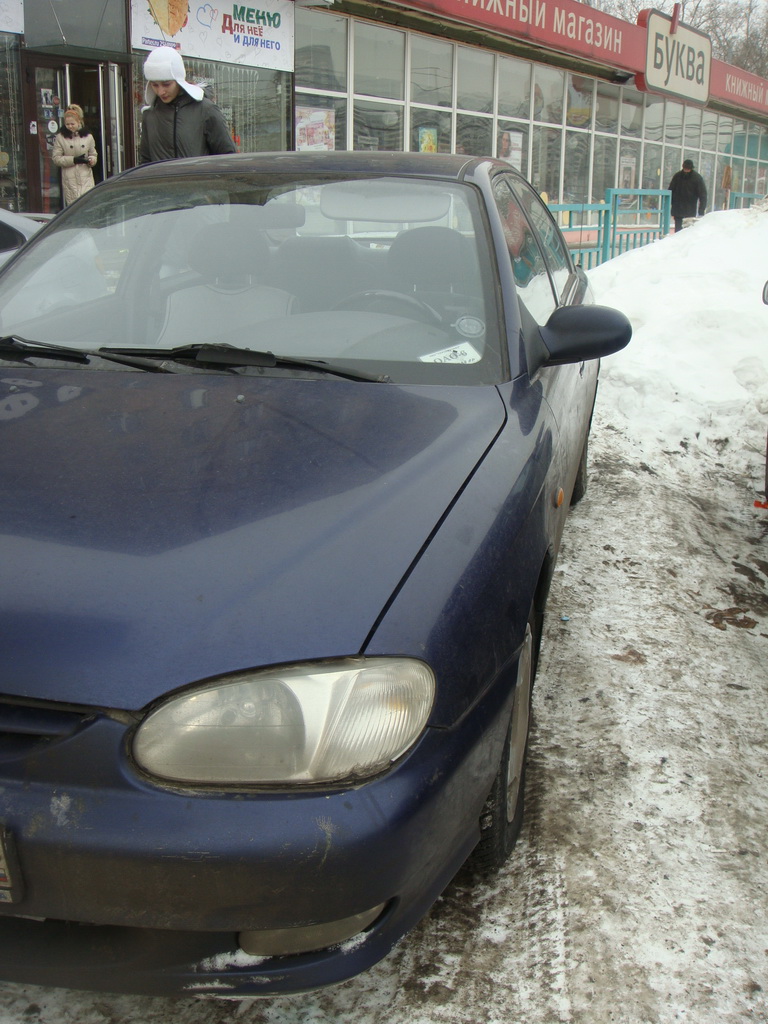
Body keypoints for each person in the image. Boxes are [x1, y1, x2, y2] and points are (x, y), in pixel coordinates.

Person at [139, 46, 237, 163]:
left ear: (179, 81)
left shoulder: (206, 110)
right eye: (155, 85)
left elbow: (228, 157)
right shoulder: (150, 115)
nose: (161, 92)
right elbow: (145, 161)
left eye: (166, 84)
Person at [51, 105, 97, 205]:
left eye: (72, 124)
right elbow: (56, 158)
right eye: (67, 124)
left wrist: (92, 160)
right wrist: (73, 160)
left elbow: (93, 154)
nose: (70, 126)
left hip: (86, 178)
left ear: (79, 122)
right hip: (70, 179)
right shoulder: (60, 137)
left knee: (88, 204)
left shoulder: (88, 136)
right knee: (74, 206)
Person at [668, 159, 707, 232]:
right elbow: (671, 191)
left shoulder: (697, 178)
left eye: (688, 169)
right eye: (685, 168)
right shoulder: (677, 176)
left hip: (688, 211)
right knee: (679, 231)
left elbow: (703, 195)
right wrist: (669, 205)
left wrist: (701, 210)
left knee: (687, 231)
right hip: (679, 209)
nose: (686, 170)